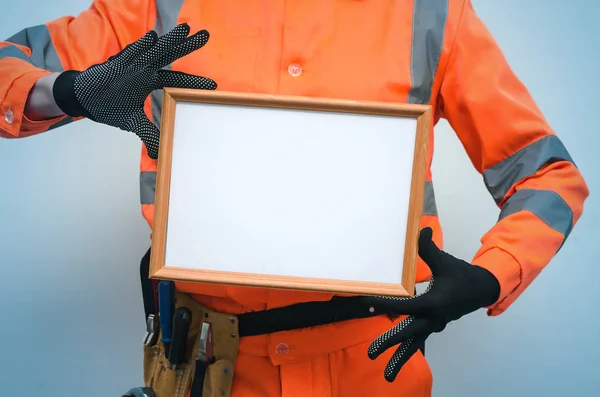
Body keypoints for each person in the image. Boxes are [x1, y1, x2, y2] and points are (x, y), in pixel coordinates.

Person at [0, 0, 589, 396]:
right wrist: (73, 90)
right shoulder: (157, 6)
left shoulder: (429, 12)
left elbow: (548, 176)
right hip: (204, 367)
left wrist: (492, 274)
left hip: (373, 363)